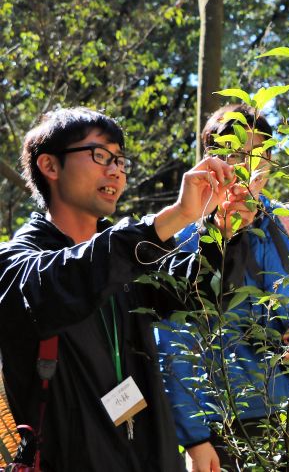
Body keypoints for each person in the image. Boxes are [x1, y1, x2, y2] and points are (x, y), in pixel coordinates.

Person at [0, 107, 240, 470]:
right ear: (50, 166)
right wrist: (173, 216)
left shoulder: (129, 254)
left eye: (120, 160)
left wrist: (218, 231)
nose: (115, 170)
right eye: (99, 155)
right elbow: (63, 282)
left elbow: (196, 297)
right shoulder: (18, 264)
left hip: (150, 453)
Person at [156, 104, 289, 472]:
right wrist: (195, 436)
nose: (248, 166)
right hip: (225, 420)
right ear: (211, 160)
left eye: (259, 154)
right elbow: (174, 341)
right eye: (235, 153)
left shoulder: (286, 221)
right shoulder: (183, 231)